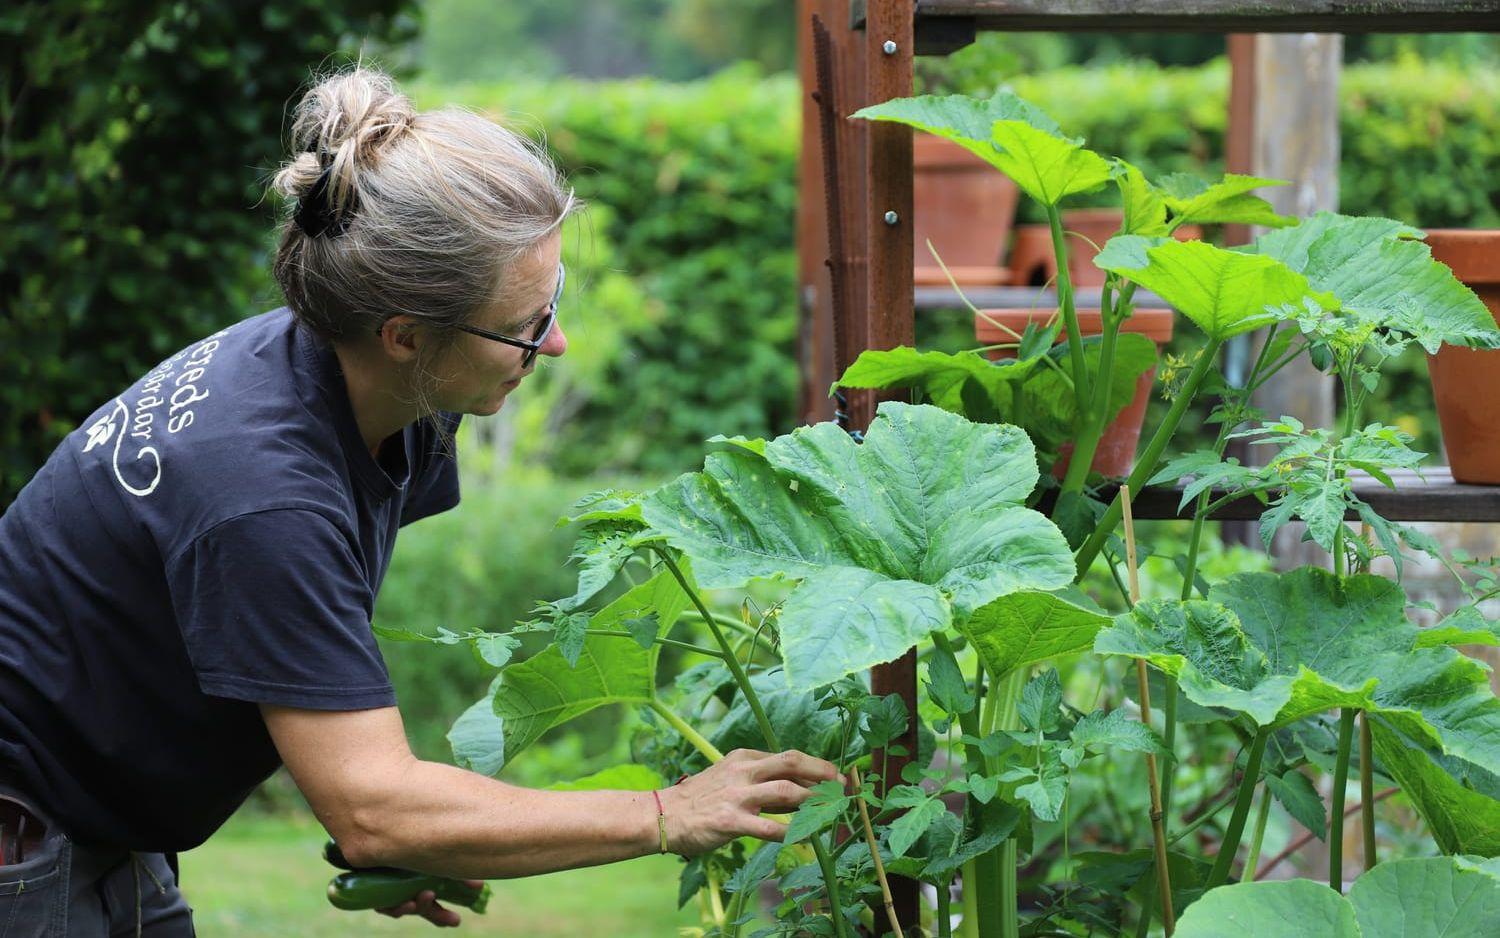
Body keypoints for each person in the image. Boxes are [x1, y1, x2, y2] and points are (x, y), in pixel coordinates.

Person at [0, 66, 840, 934]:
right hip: (25, 843)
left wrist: (397, 812)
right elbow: (374, 809)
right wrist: (669, 813)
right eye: (522, 325)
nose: (553, 343)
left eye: (550, 300)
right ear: (403, 335)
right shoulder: (265, 490)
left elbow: (278, 648)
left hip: (96, 829)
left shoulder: (373, 392)